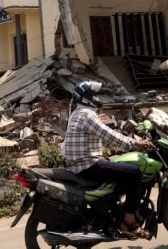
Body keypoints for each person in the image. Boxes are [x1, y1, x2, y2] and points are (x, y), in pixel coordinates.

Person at [62, 81, 154, 239]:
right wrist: (134, 142)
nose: (97, 97)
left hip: (79, 164)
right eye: (94, 95)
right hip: (88, 165)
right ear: (87, 97)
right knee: (133, 172)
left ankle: (115, 208)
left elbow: (102, 134)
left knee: (120, 167)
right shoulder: (87, 115)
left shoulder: (76, 113)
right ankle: (128, 222)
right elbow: (107, 134)